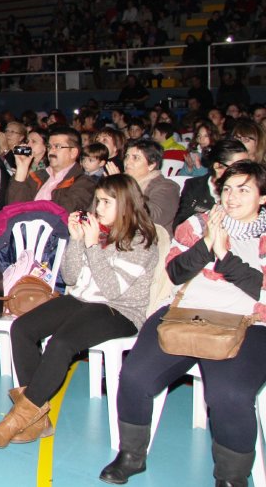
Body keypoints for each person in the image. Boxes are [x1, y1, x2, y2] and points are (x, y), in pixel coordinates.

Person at [101, 162, 266, 487]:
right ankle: (131, 455)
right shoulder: (198, 224)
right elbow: (176, 272)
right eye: (227, 188)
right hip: (184, 314)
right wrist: (206, 244)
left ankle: (231, 478)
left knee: (230, 394)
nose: (232, 197)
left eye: (243, 190)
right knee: (134, 376)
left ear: (262, 197)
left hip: (248, 324)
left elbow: (259, 287)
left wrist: (224, 255)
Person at [0, 174, 159, 447]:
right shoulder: (97, 232)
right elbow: (71, 277)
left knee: (62, 342)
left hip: (120, 310)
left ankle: (18, 418)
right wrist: (77, 241)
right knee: (22, 328)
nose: (98, 208)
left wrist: (92, 245)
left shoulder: (141, 241)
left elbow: (112, 290)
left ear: (126, 204)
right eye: (97, 201)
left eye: (106, 202)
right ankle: (37, 418)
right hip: (82, 299)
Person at [7, 127, 96, 212]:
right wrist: (22, 168)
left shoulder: (83, 183)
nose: (51, 151)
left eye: (57, 146)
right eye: (49, 146)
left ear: (73, 152)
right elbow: (13, 208)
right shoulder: (38, 176)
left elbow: (63, 214)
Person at [173, 139, 250, 230]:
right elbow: (179, 224)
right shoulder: (194, 186)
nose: (246, 172)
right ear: (218, 167)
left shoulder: (248, 189)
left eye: (248, 167)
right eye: (239, 167)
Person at [122, 139, 180, 230]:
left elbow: (155, 217)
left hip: (151, 235)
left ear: (151, 165)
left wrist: (124, 189)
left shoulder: (167, 187)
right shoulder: (124, 181)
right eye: (127, 156)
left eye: (135, 158)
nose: (127, 162)